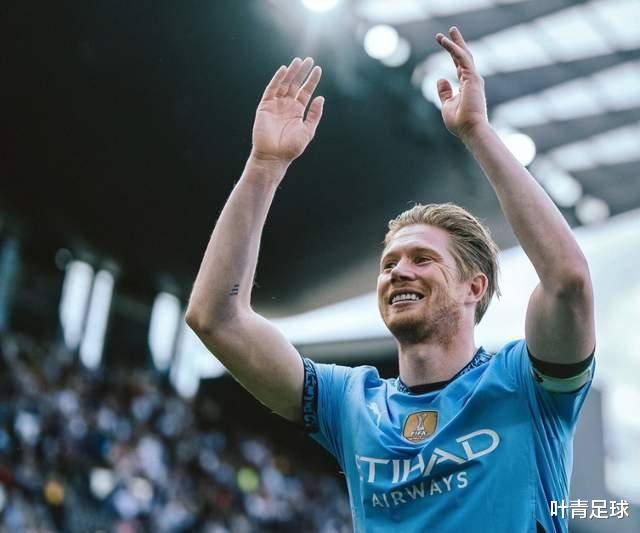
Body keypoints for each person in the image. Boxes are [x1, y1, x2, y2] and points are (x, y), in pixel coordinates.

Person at [186, 27, 595, 533]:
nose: (399, 270)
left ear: (474, 287)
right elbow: (216, 318)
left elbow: (567, 281)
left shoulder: (524, 384)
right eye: (389, 263)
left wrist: (477, 132)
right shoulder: (348, 403)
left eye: (423, 259)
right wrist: (264, 165)